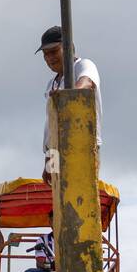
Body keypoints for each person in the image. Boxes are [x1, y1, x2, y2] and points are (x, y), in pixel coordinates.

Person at [37, 25, 102, 185]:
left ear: (68, 48)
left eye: (53, 51)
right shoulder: (51, 84)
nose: (50, 58)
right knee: (59, 199)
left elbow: (86, 82)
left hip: (82, 145)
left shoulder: (82, 65)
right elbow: (50, 126)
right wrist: (49, 160)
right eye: (46, 55)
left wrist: (66, 95)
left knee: (80, 193)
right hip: (57, 151)